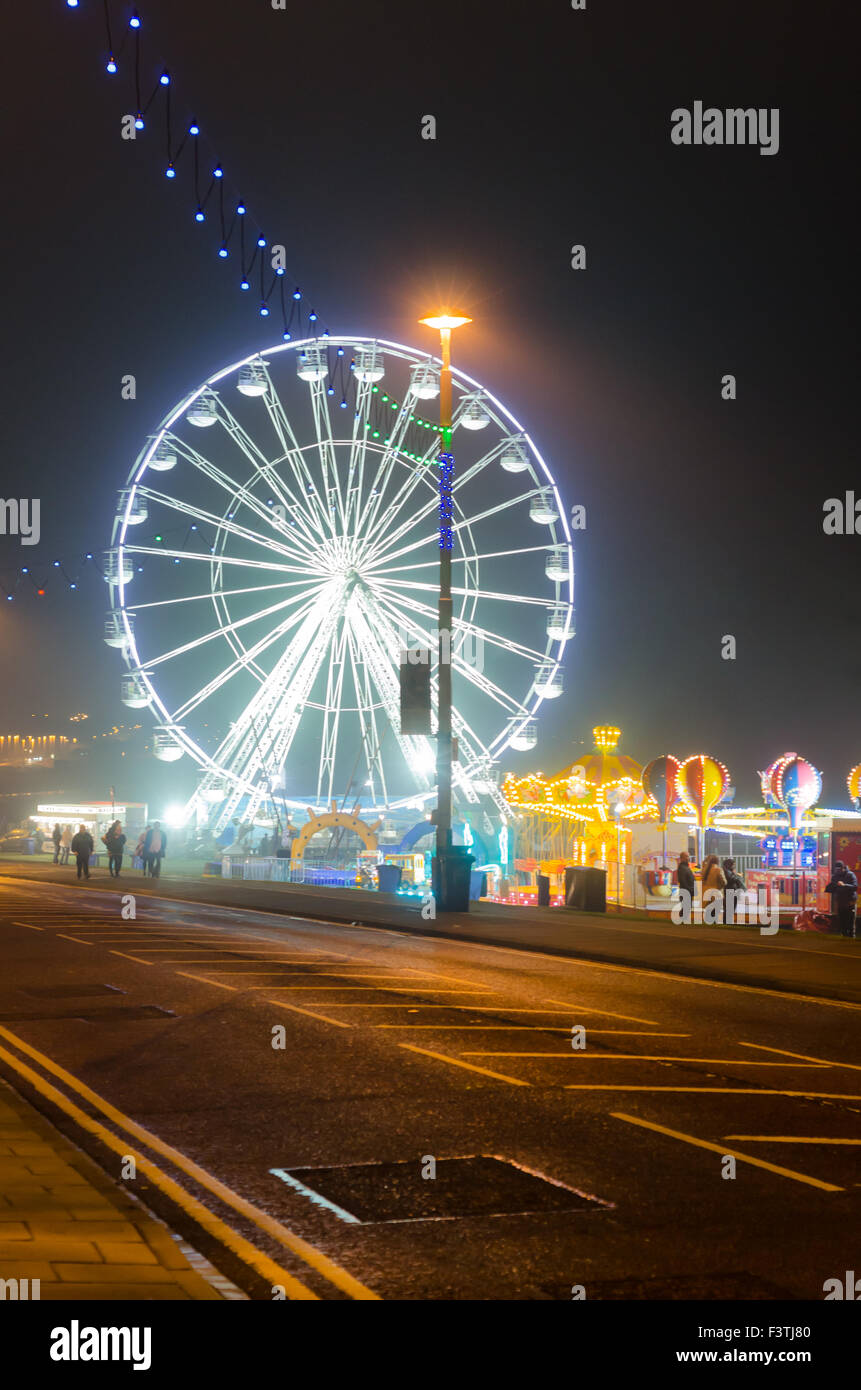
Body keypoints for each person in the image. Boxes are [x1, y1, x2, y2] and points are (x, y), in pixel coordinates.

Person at [824, 860, 858, 938]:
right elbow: (831, 888)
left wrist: (844, 885)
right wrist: (830, 887)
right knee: (842, 922)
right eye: (836, 869)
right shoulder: (835, 876)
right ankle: (844, 939)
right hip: (840, 902)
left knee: (850, 922)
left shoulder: (850, 875)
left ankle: (851, 939)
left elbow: (855, 887)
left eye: (839, 869)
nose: (838, 871)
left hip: (850, 902)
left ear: (843, 868)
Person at [722, 857, 745, 924]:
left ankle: (728, 922)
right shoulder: (726, 871)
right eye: (733, 864)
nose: (734, 866)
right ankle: (727, 923)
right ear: (729, 865)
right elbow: (731, 879)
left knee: (731, 909)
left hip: (732, 891)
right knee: (729, 909)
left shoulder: (729, 871)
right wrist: (737, 875)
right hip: (730, 892)